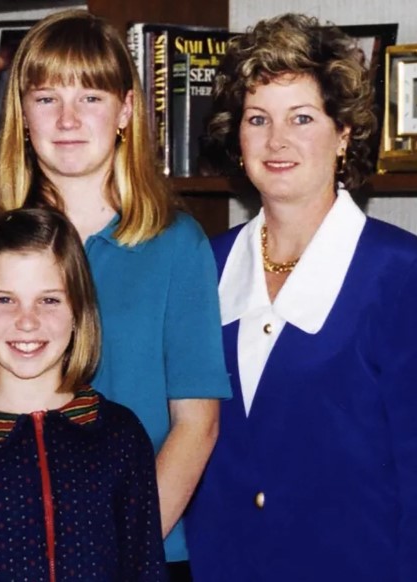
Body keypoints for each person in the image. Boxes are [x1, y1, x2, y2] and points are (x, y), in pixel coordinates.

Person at [0, 9, 231, 579]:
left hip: (143, 551)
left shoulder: (178, 244)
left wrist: (113, 552)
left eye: (89, 97)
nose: (66, 119)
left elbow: (197, 424)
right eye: (45, 98)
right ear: (21, 114)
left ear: (126, 111)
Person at [185, 13, 417, 582]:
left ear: (343, 134)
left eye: (302, 118)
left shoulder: (402, 274)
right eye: (257, 118)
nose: (276, 140)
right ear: (236, 138)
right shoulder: (201, 267)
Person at [0, 207, 167, 580]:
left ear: (78, 311)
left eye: (49, 300)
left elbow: (145, 568)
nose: (27, 320)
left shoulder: (120, 436)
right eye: (4, 300)